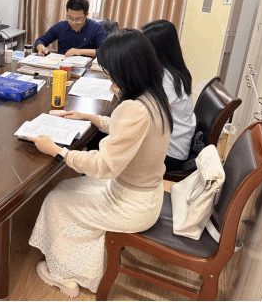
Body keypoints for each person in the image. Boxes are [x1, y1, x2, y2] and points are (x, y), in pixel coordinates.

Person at [26, 29, 173, 298]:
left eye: (110, 73)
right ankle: (82, 261)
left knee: (57, 199)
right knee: (67, 189)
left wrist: (57, 151)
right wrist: (89, 117)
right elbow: (126, 132)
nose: (109, 80)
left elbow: (103, 166)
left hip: (132, 203)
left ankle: (64, 275)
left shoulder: (135, 108)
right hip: (145, 193)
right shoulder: (154, 97)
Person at [142, 19, 196, 172]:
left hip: (170, 153)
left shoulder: (166, 80)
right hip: (176, 142)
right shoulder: (173, 71)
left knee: (106, 140)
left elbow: (145, 111)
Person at [34, 0, 108, 58]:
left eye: (78, 19)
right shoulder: (60, 26)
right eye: (70, 18)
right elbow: (40, 40)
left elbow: (106, 51)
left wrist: (79, 51)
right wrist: (41, 47)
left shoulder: (97, 28)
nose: (73, 23)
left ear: (86, 15)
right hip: (62, 65)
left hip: (87, 67)